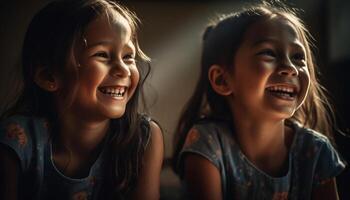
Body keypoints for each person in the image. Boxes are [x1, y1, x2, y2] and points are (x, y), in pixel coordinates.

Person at [173, 2, 346, 200]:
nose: (290, 68)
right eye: (268, 53)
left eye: (298, 57)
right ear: (222, 80)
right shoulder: (208, 144)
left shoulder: (317, 152)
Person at [0, 0, 163, 199]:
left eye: (128, 56)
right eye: (102, 55)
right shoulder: (14, 139)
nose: (123, 69)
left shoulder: (144, 140)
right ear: (49, 76)